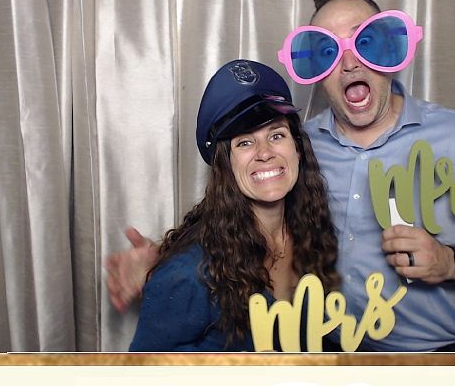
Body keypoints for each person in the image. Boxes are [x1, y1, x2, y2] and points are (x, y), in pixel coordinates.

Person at [108, 0, 455, 352]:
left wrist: (452, 261)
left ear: (391, 51)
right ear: (317, 72)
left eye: (367, 43)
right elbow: (239, 219)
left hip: (427, 366)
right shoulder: (296, 149)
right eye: (327, 51)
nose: (349, 64)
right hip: (322, 358)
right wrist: (168, 262)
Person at [128, 60, 339, 352]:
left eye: (276, 135)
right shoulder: (189, 272)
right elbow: (143, 371)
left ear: (298, 149)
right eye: (245, 143)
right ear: (225, 165)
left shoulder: (313, 235)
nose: (265, 153)